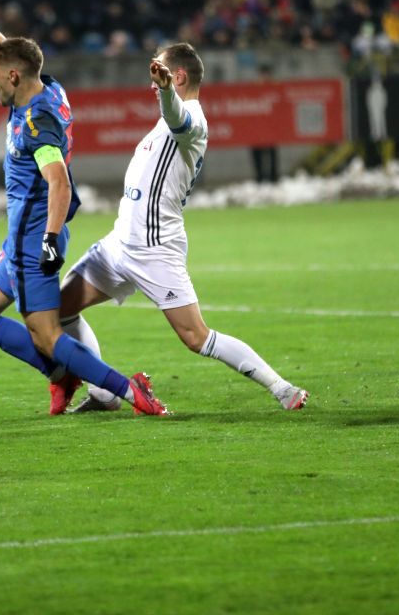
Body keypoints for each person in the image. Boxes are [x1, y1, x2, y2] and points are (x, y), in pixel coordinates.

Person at [0, 6, 168, 417]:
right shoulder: (43, 88)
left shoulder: (36, 123)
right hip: (21, 237)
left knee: (46, 335)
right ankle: (62, 376)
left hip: (35, 238)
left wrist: (48, 240)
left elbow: (58, 181)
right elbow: (8, 48)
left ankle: (129, 390)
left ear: (13, 77)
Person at [53, 43, 309, 413]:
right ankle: (104, 394)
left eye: (158, 74)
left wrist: (166, 91)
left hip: (155, 248)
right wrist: (166, 92)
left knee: (195, 336)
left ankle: (282, 388)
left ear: (178, 76)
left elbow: (178, 119)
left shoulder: (192, 120)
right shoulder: (166, 119)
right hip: (119, 243)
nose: (151, 83)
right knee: (59, 309)